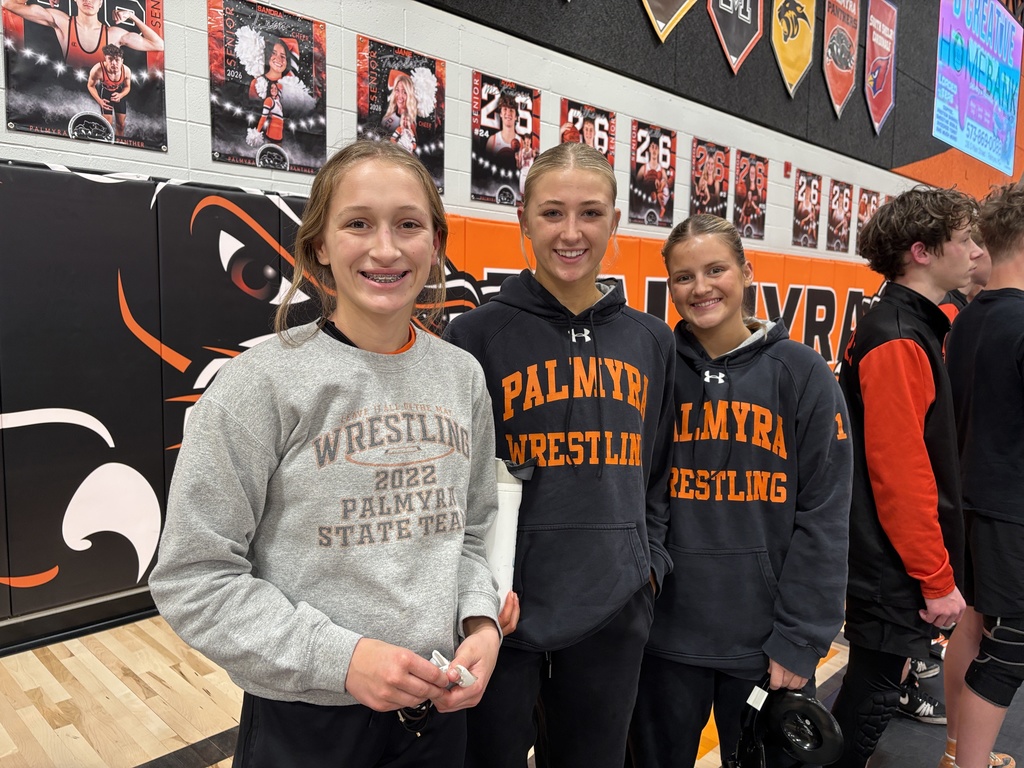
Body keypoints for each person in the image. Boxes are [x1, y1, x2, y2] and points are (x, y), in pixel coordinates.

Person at [148, 141, 503, 768]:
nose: (386, 249)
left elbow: (469, 533)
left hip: (439, 712)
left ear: (435, 245)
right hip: (305, 724)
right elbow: (192, 578)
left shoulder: (462, 376)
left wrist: (481, 620)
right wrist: (340, 660)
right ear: (318, 246)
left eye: (408, 225)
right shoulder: (260, 384)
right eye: (358, 223)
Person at [443, 141, 675, 768]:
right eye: (552, 213)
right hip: (502, 612)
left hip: (614, 603)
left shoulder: (651, 339)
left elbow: (657, 472)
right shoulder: (474, 335)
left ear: (615, 222)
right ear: (523, 218)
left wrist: (647, 565)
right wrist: (474, 593)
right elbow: (455, 481)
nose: (571, 233)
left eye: (590, 213)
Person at [628, 214, 853, 767]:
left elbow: (824, 514)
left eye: (716, 270)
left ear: (746, 272)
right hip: (663, 639)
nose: (701, 287)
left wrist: (801, 636)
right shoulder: (654, 369)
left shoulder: (801, 373)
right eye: (684, 277)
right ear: (669, 286)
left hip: (765, 644)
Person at [830, 187, 984, 768]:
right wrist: (935, 576)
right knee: (872, 693)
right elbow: (900, 473)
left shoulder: (908, 324)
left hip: (889, 555)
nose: (975, 251)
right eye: (964, 240)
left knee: (874, 686)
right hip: (887, 560)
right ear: (922, 251)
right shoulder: (897, 335)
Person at [940, 183, 1024, 768]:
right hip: (1008, 508)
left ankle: (956, 753)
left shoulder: (969, 318)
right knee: (1012, 644)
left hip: (969, 499)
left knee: (972, 625)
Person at [0, 0, 163, 69]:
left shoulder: (113, 35)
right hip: (63, 97)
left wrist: (132, 16)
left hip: (100, 104)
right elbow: (8, 3)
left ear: (101, 3)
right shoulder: (62, 22)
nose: (88, 1)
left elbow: (158, 44)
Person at [86, 44, 130, 139]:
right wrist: (99, 101)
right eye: (110, 59)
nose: (114, 63)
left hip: (119, 93)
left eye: (117, 60)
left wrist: (121, 95)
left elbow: (127, 87)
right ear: (105, 59)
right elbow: (90, 86)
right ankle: (107, 144)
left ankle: (119, 144)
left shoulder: (126, 70)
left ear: (122, 61)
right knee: (107, 125)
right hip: (106, 93)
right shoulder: (97, 69)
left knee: (121, 125)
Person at [247, 36, 294, 101]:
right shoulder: (256, 83)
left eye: (282, 56)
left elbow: (294, 42)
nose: (278, 59)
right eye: (274, 53)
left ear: (287, 61)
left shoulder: (291, 83)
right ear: (268, 55)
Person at [381, 72, 418, 152]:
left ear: (409, 95)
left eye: (404, 92)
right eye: (397, 90)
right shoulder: (387, 116)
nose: (400, 96)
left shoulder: (411, 124)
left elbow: (414, 146)